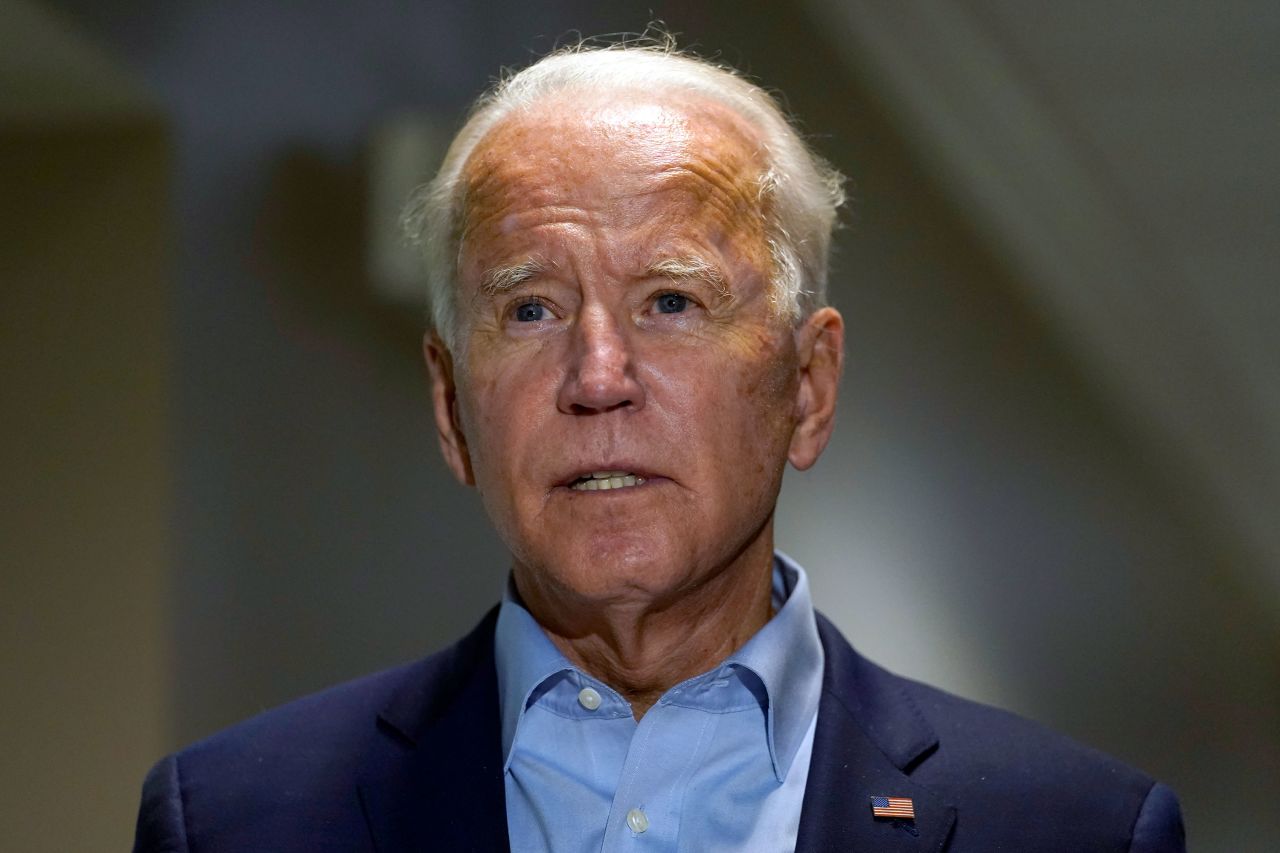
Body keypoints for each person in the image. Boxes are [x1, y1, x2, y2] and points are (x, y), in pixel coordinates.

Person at [133, 41, 1186, 852]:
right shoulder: (230, 821)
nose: (597, 378)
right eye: (532, 310)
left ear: (806, 389)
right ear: (452, 409)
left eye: (670, 300)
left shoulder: (1073, 829)